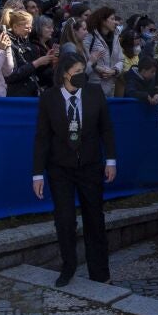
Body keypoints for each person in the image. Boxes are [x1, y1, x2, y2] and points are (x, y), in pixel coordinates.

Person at [33, 52, 118, 286]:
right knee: (64, 219)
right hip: (60, 168)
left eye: (83, 71)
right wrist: (37, 173)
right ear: (64, 74)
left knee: (94, 218)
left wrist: (111, 160)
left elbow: (106, 129)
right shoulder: (49, 98)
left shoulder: (94, 93)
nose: (82, 75)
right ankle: (68, 267)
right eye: (77, 72)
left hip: (90, 165)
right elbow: (42, 137)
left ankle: (100, 273)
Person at [84, 6, 123, 90]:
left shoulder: (115, 36)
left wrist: (114, 71)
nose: (115, 22)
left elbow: (120, 60)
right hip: (93, 85)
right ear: (103, 20)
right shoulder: (90, 35)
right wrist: (98, 68)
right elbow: (84, 57)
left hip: (110, 85)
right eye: (112, 19)